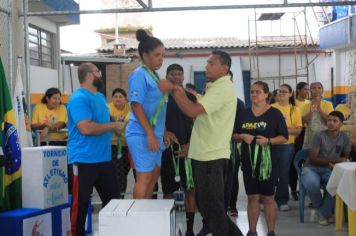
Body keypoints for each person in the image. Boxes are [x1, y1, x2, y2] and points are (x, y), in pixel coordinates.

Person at [171, 50, 243, 236]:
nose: (206, 66)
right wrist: (191, 146)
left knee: (212, 208)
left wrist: (175, 91)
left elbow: (192, 111)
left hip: (212, 156)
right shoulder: (214, 87)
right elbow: (205, 123)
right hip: (204, 153)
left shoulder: (222, 88)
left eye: (211, 63)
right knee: (208, 206)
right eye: (207, 63)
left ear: (224, 68)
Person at [67, 62, 123, 236]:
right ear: (90, 75)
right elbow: (86, 128)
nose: (101, 75)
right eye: (98, 72)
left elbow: (103, 120)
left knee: (113, 202)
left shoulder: (99, 97)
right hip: (83, 160)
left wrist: (118, 123)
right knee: (80, 205)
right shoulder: (78, 98)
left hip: (103, 160)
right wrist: (113, 125)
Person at [234, 81, 288, 236]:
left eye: (258, 92)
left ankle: (271, 232)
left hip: (268, 164)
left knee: (268, 198)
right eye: (252, 92)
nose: (254, 95)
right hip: (248, 162)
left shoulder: (275, 113)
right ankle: (252, 231)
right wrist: (242, 136)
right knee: (252, 197)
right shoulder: (243, 113)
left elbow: (284, 137)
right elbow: (234, 136)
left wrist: (269, 141)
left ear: (266, 94)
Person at [125, 29, 174, 199]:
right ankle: (138, 217)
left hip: (155, 134)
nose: (161, 59)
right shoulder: (139, 75)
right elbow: (136, 106)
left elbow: (157, 108)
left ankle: (145, 211)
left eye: (163, 55)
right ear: (145, 56)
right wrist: (150, 134)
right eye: (157, 55)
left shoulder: (153, 75)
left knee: (154, 174)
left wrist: (164, 130)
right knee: (144, 176)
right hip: (142, 133)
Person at [160, 64, 196, 236]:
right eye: (172, 74)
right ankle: (168, 228)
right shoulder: (160, 97)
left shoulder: (191, 97)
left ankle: (189, 230)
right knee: (168, 191)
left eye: (179, 74)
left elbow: (197, 124)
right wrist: (164, 132)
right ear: (167, 76)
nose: (175, 76)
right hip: (167, 149)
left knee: (190, 190)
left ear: (183, 77)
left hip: (188, 149)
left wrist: (191, 144)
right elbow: (153, 121)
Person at [301, 111, 351, 225]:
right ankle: (325, 212)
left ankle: (323, 213)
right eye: (329, 120)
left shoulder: (345, 138)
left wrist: (337, 163)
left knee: (336, 184)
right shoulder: (318, 136)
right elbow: (313, 158)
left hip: (330, 169)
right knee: (312, 183)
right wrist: (336, 161)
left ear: (341, 124)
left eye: (335, 121)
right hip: (311, 167)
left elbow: (345, 157)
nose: (331, 123)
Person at [272, 84, 302, 211]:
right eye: (280, 91)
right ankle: (265, 199)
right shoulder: (271, 108)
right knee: (269, 173)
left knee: (284, 174)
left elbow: (298, 130)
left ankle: (282, 200)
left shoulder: (295, 110)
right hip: (271, 145)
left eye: (285, 91)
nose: (281, 93)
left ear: (291, 94)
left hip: (287, 146)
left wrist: (282, 130)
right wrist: (288, 129)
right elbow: (269, 129)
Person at [108, 88, 131, 198]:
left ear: (125, 99)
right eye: (115, 96)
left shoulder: (130, 107)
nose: (117, 99)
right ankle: (117, 195)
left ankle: (122, 194)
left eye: (120, 97)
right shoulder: (108, 108)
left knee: (125, 171)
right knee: (118, 172)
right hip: (113, 145)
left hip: (127, 145)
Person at [225, 98, 245, 217]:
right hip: (214, 144)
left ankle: (232, 205)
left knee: (232, 175)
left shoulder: (238, 103)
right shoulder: (212, 98)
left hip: (232, 144)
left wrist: (233, 135)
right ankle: (220, 206)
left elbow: (241, 125)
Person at [291, 82, 310, 200]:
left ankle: (305, 187)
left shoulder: (309, 103)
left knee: (306, 162)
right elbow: (298, 121)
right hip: (297, 134)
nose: (307, 92)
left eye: (308, 90)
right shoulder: (293, 104)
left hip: (309, 133)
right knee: (295, 162)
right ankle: (293, 188)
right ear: (298, 90)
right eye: (305, 89)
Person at [302, 82, 334, 148]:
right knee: (311, 156)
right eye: (314, 88)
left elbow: (329, 122)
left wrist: (319, 109)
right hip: (311, 137)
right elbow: (303, 122)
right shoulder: (306, 105)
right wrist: (310, 112)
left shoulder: (328, 104)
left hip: (325, 136)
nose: (317, 90)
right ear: (310, 90)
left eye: (319, 88)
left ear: (322, 90)